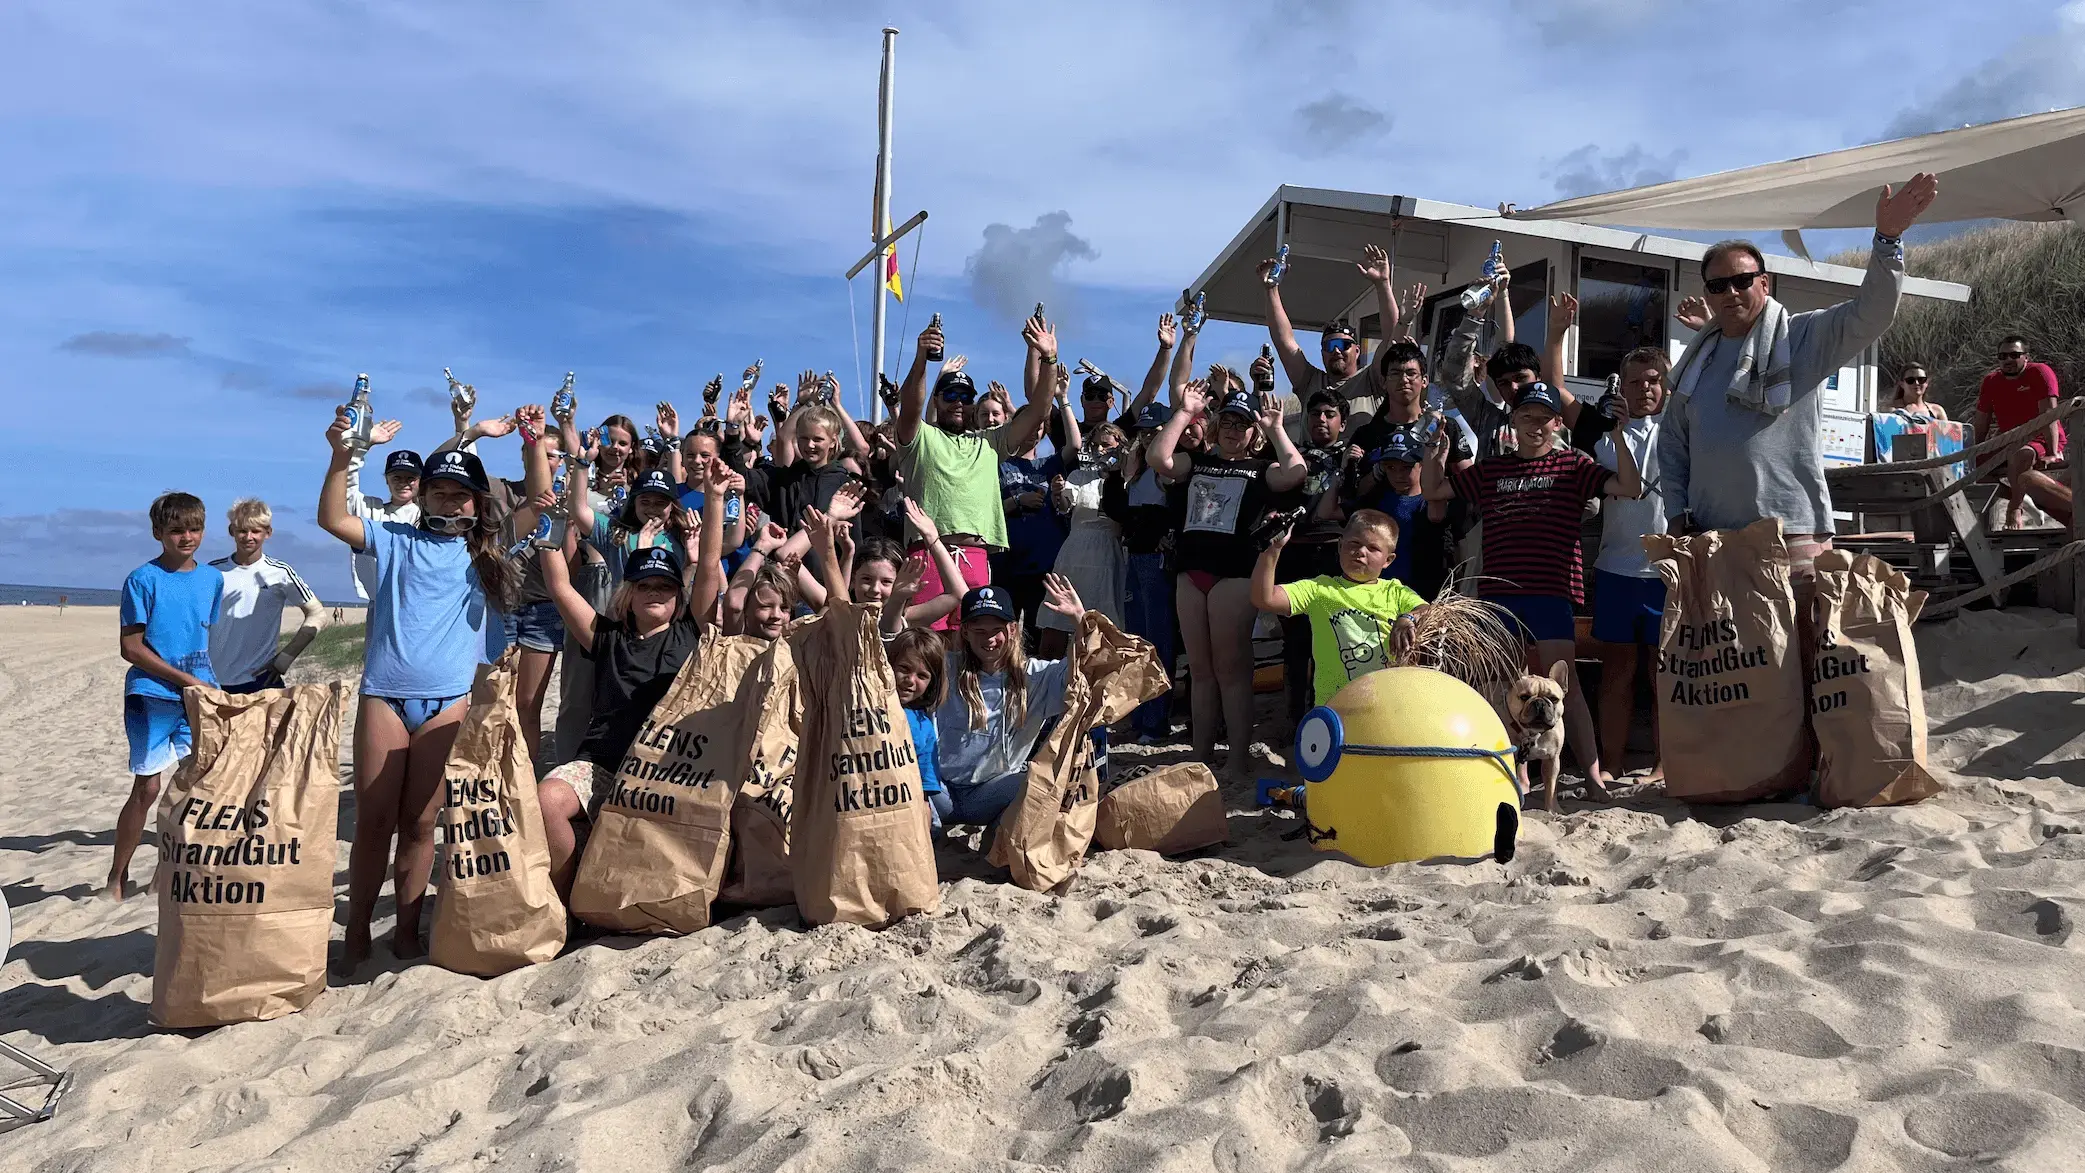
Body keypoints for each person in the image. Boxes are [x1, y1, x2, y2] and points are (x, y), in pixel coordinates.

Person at [1660, 174, 1939, 587]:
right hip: (1712, 540)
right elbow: (1673, 443)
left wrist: (1887, 239)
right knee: (1728, 655)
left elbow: (1872, 313)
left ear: (1764, 283)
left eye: (1742, 280)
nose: (1731, 292)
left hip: (1793, 536)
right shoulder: (1697, 360)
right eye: (1718, 286)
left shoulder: (1801, 337)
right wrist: (1677, 515)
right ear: (1708, 293)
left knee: (1800, 650)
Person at [317, 422, 527, 967]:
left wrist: (531, 444)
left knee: (420, 824)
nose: (450, 503)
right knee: (372, 823)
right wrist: (343, 457)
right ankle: (357, 931)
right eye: (440, 492)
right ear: (423, 495)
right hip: (384, 696)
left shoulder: (484, 553)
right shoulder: (393, 537)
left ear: (476, 505)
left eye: (461, 496)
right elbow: (332, 519)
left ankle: (407, 932)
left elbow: (541, 506)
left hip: (447, 701)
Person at [1421, 381, 1641, 798]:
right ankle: (1519, 778)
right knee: (1507, 686)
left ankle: (1593, 778)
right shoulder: (1491, 469)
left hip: (1551, 590)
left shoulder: (1573, 465)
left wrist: (1618, 435)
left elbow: (1630, 487)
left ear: (1556, 422)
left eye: (1543, 417)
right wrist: (1435, 454)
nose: (1535, 425)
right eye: (1527, 417)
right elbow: (1433, 490)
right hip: (1500, 594)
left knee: (1565, 688)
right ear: (1514, 421)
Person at [534, 471, 721, 898]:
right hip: (602, 765)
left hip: (667, 774)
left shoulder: (689, 632)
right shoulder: (606, 636)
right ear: (628, 593)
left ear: (678, 596)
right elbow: (560, 588)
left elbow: (709, 564)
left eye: (665, 586)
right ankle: (565, 900)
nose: (655, 592)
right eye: (645, 585)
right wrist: (548, 533)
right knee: (546, 801)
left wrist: (713, 498)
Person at [1147, 375, 1307, 780]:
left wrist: (1275, 428)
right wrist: (1184, 412)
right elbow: (1158, 459)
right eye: (1229, 422)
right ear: (1218, 426)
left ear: (1253, 431)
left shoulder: (1260, 468)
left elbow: (1295, 473)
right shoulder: (1197, 461)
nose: (1235, 430)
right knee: (1199, 670)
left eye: (1243, 423)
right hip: (1191, 570)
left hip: (1234, 574)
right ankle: (1200, 754)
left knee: (1232, 668)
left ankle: (1237, 757)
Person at [894, 315, 1057, 631]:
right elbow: (910, 405)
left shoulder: (992, 441)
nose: (958, 403)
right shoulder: (919, 436)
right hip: (925, 558)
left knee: (972, 652)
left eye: (966, 397)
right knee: (923, 648)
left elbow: (1039, 410)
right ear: (937, 399)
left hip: (976, 559)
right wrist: (921, 358)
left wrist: (1049, 358)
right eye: (950, 395)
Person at [107, 491, 225, 899]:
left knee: (195, 785)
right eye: (176, 530)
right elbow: (131, 647)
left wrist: (203, 683)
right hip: (152, 692)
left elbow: (206, 637)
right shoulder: (143, 579)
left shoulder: (213, 578)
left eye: (194, 529)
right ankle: (116, 877)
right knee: (149, 788)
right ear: (159, 533)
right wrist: (183, 679)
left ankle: (168, 872)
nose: (186, 537)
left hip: (201, 692)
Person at [932, 578, 1084, 828]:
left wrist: (1080, 621)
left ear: (1012, 630)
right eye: (980, 631)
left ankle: (998, 842)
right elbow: (894, 652)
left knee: (1036, 781)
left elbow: (1087, 670)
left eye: (996, 630)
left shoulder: (1035, 676)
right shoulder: (946, 666)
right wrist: (896, 603)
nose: (989, 639)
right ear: (965, 632)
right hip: (941, 793)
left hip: (991, 794)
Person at [1586, 347, 1671, 780]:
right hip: (1617, 567)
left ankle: (1662, 763)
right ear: (1621, 385)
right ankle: (1613, 761)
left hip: (1667, 572)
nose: (1645, 389)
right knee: (1617, 673)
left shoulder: (1678, 429)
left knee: (1664, 675)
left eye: (1653, 380)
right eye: (1635, 381)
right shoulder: (1604, 436)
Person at [1251, 510, 1426, 705]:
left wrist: (1408, 618)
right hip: (1336, 708)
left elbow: (1428, 610)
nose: (1361, 552)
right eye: (1354, 543)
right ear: (1340, 545)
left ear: (1388, 560)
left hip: (1388, 706)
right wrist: (1271, 550)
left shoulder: (1395, 591)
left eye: (1373, 548)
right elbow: (1264, 598)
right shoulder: (1319, 590)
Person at [1267, 376, 1350, 726]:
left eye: (1329, 414)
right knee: (1296, 643)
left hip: (1336, 552)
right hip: (1295, 553)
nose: (1321, 419)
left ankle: (1333, 716)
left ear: (1342, 422)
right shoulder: (1292, 455)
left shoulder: (1353, 455)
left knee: (1335, 640)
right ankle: (1293, 722)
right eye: (1314, 413)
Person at [1258, 243, 1406, 437]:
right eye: (1330, 346)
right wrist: (1271, 288)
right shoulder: (1310, 382)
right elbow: (1283, 340)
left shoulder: (1373, 378)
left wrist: (1383, 284)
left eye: (1343, 345)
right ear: (1322, 353)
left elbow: (1392, 337)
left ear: (1357, 350)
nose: (1336, 351)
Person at [1103, 401, 1181, 744]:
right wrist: (1120, 474)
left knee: (1158, 642)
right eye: (1143, 432)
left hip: (1156, 560)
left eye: (1155, 431)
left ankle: (1156, 721)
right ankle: (1139, 717)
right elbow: (1116, 510)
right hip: (1134, 557)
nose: (1148, 437)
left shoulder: (1169, 468)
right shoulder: (1134, 471)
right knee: (1136, 641)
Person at [208, 498, 326, 693]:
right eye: (242, 530)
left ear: (268, 533)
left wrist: (284, 659)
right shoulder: (212, 571)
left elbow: (317, 613)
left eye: (256, 531)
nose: (248, 537)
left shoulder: (280, 572)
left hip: (261, 680)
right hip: (215, 681)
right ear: (232, 531)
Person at [1041, 421, 1129, 642]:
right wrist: (1058, 492)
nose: (1100, 450)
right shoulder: (1079, 477)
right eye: (1095, 446)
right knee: (1058, 623)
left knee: (1104, 625)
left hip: (1109, 554)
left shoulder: (1128, 479)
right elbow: (1065, 506)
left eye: (1106, 445)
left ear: (1120, 446)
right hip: (1076, 552)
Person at [1343, 431, 1456, 601]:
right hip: (1377, 595)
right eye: (1390, 467)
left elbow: (1437, 515)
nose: (1398, 475)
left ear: (1422, 464)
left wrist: (1437, 460)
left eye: (1406, 467)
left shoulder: (1432, 502)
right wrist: (1343, 469)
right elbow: (1328, 512)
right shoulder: (1375, 499)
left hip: (1421, 595)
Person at [1975, 335, 2066, 529]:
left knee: (2021, 454)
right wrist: (1975, 451)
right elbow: (1981, 420)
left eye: (2014, 355)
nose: (2008, 360)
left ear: (2026, 357)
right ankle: (2023, 500)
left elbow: (2049, 416)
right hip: (2009, 439)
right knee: (1973, 471)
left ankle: (2014, 508)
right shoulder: (1991, 381)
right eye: (2003, 356)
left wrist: (2052, 453)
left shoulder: (2040, 372)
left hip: (2041, 437)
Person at [344, 426, 420, 600]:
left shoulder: (428, 517)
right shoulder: (369, 509)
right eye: (397, 478)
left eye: (410, 478)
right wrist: (364, 445)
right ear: (386, 479)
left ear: (420, 481)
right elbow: (345, 485)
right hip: (377, 603)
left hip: (415, 602)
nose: (403, 483)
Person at [886, 627, 949, 828]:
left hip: (903, 809)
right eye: (904, 668)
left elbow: (925, 788)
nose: (910, 680)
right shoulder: (866, 709)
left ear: (932, 684)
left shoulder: (923, 727)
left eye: (922, 676)